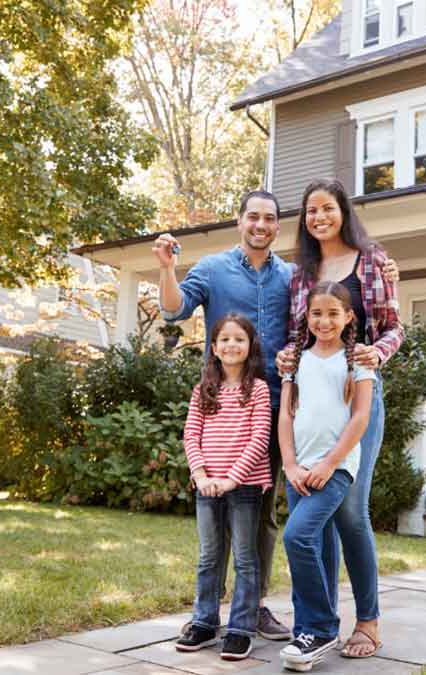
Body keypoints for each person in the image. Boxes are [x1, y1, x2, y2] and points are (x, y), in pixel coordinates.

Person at [154, 190, 295, 640]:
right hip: (222, 412)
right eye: (253, 216)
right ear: (240, 222)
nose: (260, 224)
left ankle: (251, 609)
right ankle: (207, 613)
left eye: (269, 218)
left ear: (277, 226)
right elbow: (174, 309)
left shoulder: (290, 276)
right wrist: (166, 268)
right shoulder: (213, 269)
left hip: (274, 411)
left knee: (263, 516)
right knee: (216, 519)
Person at [276, 177, 403, 659]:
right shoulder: (300, 271)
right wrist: (288, 360)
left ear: (342, 211)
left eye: (327, 208)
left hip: (358, 389)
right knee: (317, 515)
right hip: (313, 393)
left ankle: (368, 621)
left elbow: (394, 326)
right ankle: (319, 622)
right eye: (310, 211)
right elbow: (297, 333)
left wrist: (375, 354)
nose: (319, 217)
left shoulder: (372, 259)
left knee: (351, 511)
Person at [278, 281, 375, 672]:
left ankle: (320, 627)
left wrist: (330, 463)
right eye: (317, 313)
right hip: (298, 467)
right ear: (307, 316)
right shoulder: (294, 361)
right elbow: (286, 415)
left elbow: (361, 418)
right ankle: (308, 633)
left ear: (349, 317)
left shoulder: (358, 361)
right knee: (310, 542)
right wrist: (289, 464)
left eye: (334, 313)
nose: (324, 320)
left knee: (297, 535)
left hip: (334, 469)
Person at [177, 314, 272, 661]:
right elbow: (191, 434)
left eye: (239, 339)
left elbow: (260, 437)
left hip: (244, 486)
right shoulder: (204, 390)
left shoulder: (258, 389)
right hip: (207, 486)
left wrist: (233, 477)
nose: (232, 345)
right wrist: (201, 475)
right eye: (225, 340)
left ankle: (241, 628)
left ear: (250, 348)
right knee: (208, 557)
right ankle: (203, 622)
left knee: (245, 559)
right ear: (214, 348)